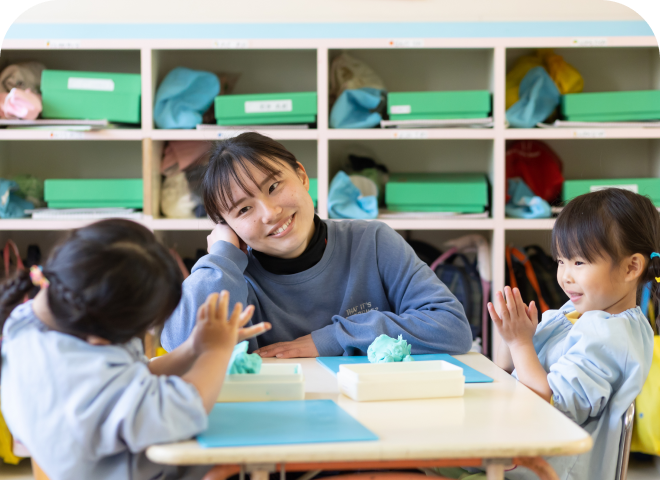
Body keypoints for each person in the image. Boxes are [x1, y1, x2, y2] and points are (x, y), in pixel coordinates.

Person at [161, 132, 472, 358]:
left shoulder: (373, 242)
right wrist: (221, 259)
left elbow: (452, 328)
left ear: (301, 175)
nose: (270, 213)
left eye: (274, 186)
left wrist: (332, 339)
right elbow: (181, 348)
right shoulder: (227, 276)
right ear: (226, 226)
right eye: (244, 210)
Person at [0, 219, 267, 480]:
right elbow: (185, 411)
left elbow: (135, 373)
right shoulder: (83, 376)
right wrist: (216, 351)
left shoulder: (28, 321)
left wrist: (194, 347)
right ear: (102, 337)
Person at [433, 188, 655, 480]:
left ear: (631, 267)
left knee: (419, 460)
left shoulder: (609, 338)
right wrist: (509, 334)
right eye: (561, 261)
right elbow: (507, 371)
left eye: (579, 262)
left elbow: (549, 409)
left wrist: (520, 342)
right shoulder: (582, 312)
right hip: (514, 449)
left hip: (540, 471)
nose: (565, 275)